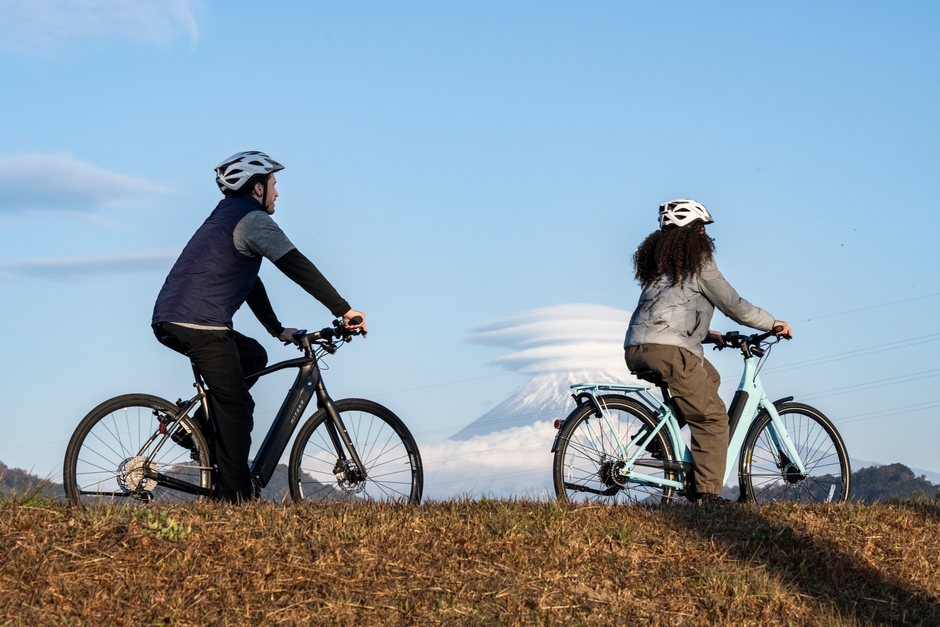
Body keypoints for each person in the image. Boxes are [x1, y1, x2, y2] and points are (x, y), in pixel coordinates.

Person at [151, 151, 366, 503]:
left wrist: (277, 329)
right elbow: (295, 264)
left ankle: (201, 434)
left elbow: (249, 282)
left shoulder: (223, 218)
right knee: (237, 409)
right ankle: (235, 497)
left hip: (174, 318)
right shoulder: (252, 220)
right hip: (201, 324)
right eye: (274, 185)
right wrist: (344, 310)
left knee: (253, 356)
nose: (278, 193)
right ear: (256, 187)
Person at [623, 199, 792, 504]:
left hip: (637, 347)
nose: (704, 234)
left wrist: (707, 333)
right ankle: (707, 496)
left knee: (709, 377)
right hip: (669, 350)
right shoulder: (698, 263)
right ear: (692, 232)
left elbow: (668, 311)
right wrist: (772, 322)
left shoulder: (662, 268)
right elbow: (734, 305)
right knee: (713, 419)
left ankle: (658, 437)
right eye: (700, 228)